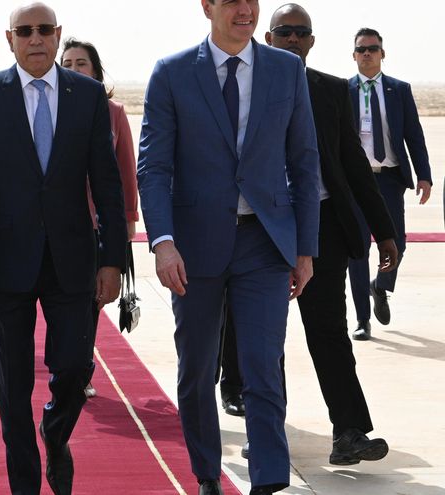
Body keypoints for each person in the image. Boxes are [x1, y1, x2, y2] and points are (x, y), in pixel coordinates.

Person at [136, 0, 320, 493]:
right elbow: (153, 168)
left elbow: (304, 161)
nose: (245, 9)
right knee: (197, 369)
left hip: (264, 241)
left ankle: (267, 481)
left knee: (263, 366)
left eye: (252, 0)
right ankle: (205, 476)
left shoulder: (285, 70)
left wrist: (305, 248)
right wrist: (163, 242)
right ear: (207, 6)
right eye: (232, 0)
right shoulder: (172, 73)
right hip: (193, 248)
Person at [220, 2, 400, 468]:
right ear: (268, 38)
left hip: (321, 230)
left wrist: (384, 232)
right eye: (285, 33)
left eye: (302, 33)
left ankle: (350, 431)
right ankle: (265, 434)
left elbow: (354, 167)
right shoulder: (245, 85)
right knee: (264, 339)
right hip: (260, 229)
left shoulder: (331, 90)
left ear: (313, 41)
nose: (294, 40)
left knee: (328, 333)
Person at [0, 3, 127, 493]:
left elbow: (108, 183)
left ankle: (55, 432)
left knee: (74, 367)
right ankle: (25, 486)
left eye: (45, 30)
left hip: (74, 261)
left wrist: (112, 258)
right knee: (12, 389)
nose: (36, 38)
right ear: (9, 39)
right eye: (25, 31)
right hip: (5, 266)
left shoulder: (87, 95)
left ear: (58, 35)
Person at [60, 36, 139, 399]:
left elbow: (126, 172)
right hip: (58, 222)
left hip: (98, 225)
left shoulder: (114, 113)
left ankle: (82, 370)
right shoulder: (48, 105)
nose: (74, 69)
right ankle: (66, 366)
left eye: (81, 63)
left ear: (95, 70)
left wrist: (127, 223)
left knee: (91, 303)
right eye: (68, 64)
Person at [347, 27, 434, 340]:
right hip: (355, 183)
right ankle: (361, 320)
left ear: (382, 54)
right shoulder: (342, 91)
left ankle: (380, 286)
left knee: (398, 242)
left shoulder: (400, 90)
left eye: (373, 49)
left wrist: (424, 175)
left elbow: (414, 135)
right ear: (354, 55)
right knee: (356, 251)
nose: (367, 54)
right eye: (361, 49)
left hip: (389, 181)